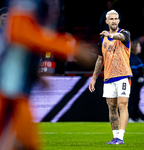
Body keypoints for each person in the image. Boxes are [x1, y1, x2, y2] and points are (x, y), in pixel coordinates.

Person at [0, 0, 95, 149]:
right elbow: (18, 32)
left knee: (27, 144)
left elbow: (22, 45)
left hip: (14, 91)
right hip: (8, 89)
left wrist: (34, 74)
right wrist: (71, 47)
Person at [89, 10, 132, 144]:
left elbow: (120, 37)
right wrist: (94, 78)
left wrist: (111, 35)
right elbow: (99, 60)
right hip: (108, 77)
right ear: (107, 21)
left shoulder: (125, 33)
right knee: (111, 107)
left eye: (116, 19)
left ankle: (121, 137)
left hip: (123, 75)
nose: (114, 21)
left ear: (119, 20)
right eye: (111, 19)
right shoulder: (102, 39)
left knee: (122, 105)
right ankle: (115, 136)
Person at [128, 41, 144, 123]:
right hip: (133, 82)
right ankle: (130, 117)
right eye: (139, 46)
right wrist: (139, 76)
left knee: (136, 99)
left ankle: (136, 117)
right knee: (132, 99)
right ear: (135, 47)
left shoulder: (137, 58)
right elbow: (133, 70)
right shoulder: (132, 58)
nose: (140, 48)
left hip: (137, 83)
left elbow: (140, 69)